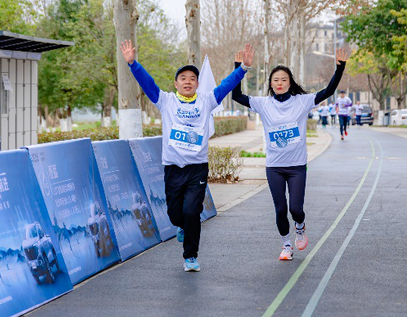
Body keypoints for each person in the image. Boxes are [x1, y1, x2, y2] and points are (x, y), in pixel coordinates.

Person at [122, 39, 251, 272]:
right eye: (183, 78)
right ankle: (183, 226)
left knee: (192, 211)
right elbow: (148, 83)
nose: (188, 82)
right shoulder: (166, 101)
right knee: (175, 215)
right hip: (173, 167)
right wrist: (133, 64)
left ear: (198, 84)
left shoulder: (207, 100)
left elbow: (225, 85)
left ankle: (190, 256)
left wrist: (242, 69)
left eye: (192, 79)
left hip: (197, 168)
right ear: (176, 83)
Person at [232, 48, 347, 261]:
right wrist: (240, 68)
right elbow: (236, 95)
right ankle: (286, 245)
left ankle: (300, 227)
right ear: (271, 83)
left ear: (289, 82)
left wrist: (340, 68)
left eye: (284, 79)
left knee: (296, 208)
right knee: (280, 208)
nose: (279, 83)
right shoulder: (264, 104)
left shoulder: (301, 101)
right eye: (275, 80)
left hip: (296, 166)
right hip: (274, 166)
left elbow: (329, 91)